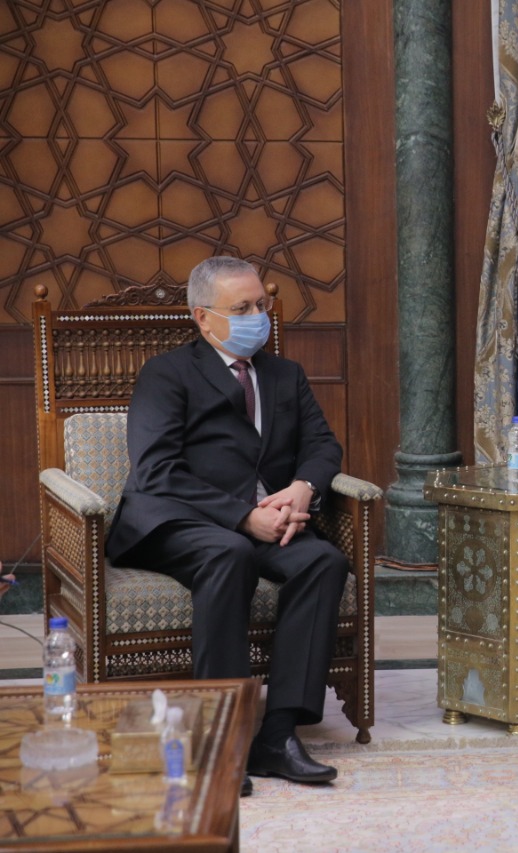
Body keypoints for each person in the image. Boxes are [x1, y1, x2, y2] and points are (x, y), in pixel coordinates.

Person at [106, 256, 349, 796]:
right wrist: (243, 517)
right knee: (228, 552)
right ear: (203, 317)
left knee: (322, 560)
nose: (258, 316)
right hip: (179, 520)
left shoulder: (285, 374)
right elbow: (157, 470)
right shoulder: (167, 373)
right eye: (242, 308)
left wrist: (304, 487)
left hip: (267, 520)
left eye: (261, 305)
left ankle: (277, 735)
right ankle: (220, 738)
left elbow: (323, 445)